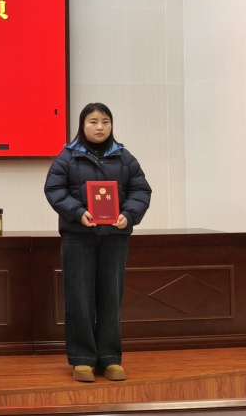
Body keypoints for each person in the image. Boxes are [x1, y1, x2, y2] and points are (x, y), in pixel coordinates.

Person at [44, 102, 151, 383]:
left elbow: (141, 190)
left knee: (111, 298)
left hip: (114, 238)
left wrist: (128, 215)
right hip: (78, 237)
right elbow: (54, 189)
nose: (100, 127)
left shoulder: (124, 157)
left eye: (105, 121)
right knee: (78, 298)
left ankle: (110, 358)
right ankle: (82, 359)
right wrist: (78, 213)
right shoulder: (67, 157)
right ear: (82, 125)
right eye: (93, 121)